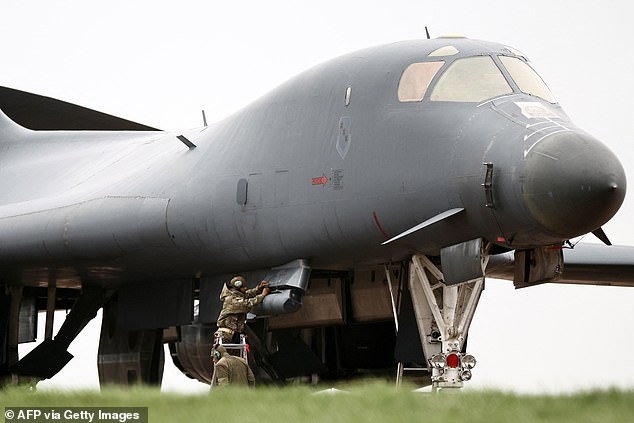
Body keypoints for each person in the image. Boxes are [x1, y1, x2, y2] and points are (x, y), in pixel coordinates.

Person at [215, 275, 270, 344]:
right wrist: (263, 295)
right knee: (225, 354)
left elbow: (247, 294)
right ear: (238, 288)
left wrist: (258, 288)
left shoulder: (235, 294)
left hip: (233, 334)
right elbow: (247, 304)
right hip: (226, 336)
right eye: (243, 287)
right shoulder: (232, 300)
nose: (246, 288)